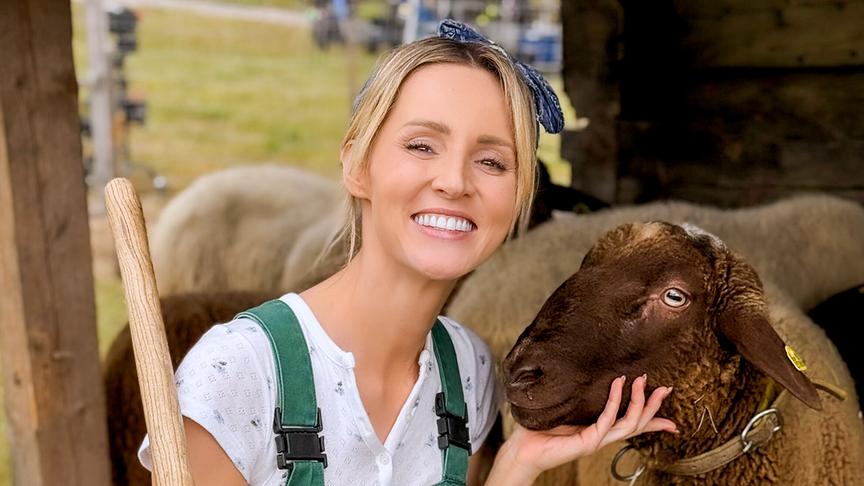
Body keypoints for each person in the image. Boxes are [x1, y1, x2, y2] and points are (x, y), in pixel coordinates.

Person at [138, 19, 677, 486]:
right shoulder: (237, 377)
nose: (454, 181)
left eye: (492, 162)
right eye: (422, 146)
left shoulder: (467, 373)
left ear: (520, 197)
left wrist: (518, 463)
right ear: (358, 166)